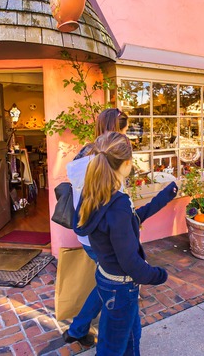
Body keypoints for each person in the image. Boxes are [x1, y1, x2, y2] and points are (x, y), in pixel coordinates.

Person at [72, 132, 178, 354]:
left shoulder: (95, 193)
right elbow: (131, 262)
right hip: (121, 287)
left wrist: (164, 196)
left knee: (131, 337)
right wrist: (159, 275)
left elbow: (131, 219)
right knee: (112, 348)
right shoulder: (116, 202)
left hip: (107, 277)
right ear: (127, 163)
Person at [63, 108, 129, 346]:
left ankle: (78, 329)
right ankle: (79, 329)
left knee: (106, 279)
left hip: (86, 229)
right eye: (124, 128)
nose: (127, 133)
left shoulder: (84, 153)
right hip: (104, 233)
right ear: (118, 128)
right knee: (110, 282)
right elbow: (113, 200)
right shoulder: (111, 157)